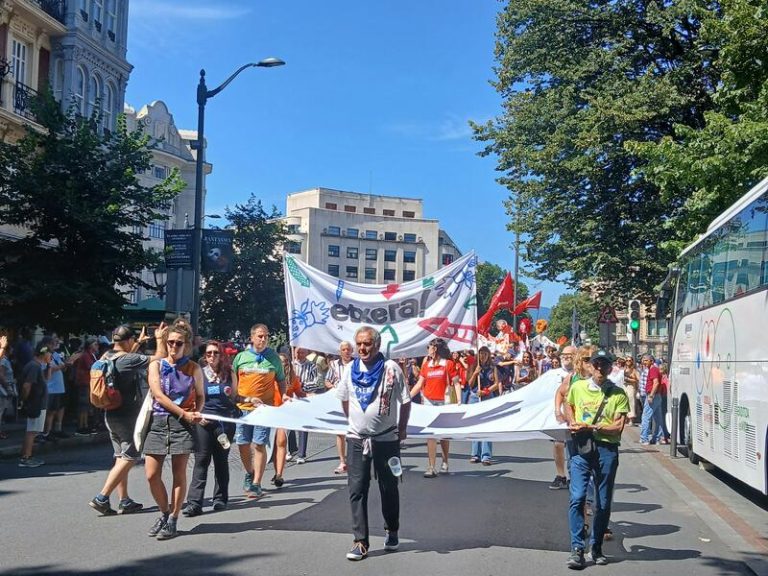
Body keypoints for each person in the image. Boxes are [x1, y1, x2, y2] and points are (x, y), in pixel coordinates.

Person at [337, 325, 411, 561]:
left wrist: (401, 429)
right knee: (357, 489)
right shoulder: (350, 369)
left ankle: (392, 529)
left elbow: (405, 401)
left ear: (377, 345)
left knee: (388, 487)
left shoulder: (391, 369)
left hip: (387, 439)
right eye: (359, 343)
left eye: (367, 343)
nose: (362, 348)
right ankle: (360, 541)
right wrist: (356, 424)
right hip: (357, 439)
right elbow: (345, 400)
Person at [88, 323, 168, 516]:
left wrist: (137, 343)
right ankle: (102, 497)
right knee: (130, 456)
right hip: (127, 415)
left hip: (109, 412)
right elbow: (160, 358)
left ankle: (124, 500)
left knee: (120, 457)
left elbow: (124, 358)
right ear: (129, 340)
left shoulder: (106, 357)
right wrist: (159, 339)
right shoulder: (129, 360)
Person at [564, 349, 629, 568]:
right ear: (590, 366)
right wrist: (571, 420)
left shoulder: (618, 394)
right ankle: (576, 549)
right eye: (596, 364)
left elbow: (618, 427)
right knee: (578, 497)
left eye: (604, 365)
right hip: (582, 447)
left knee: (602, 503)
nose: (600, 368)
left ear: (611, 368)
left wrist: (592, 426)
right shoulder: (578, 387)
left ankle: (597, 547)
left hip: (606, 450)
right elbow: (567, 402)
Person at [144, 320, 204, 540]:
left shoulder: (193, 368)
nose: (174, 347)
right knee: (151, 474)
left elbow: (200, 395)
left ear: (186, 345)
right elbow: (158, 395)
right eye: (170, 342)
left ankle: (173, 519)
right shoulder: (156, 365)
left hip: (184, 425)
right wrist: (183, 412)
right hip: (160, 421)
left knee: (179, 474)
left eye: (179, 343)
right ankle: (164, 512)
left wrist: (196, 412)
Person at [183, 340, 238, 516]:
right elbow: (191, 398)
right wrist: (197, 416)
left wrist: (250, 401)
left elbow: (236, 397)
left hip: (225, 424)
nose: (212, 356)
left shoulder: (229, 373)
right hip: (204, 422)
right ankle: (194, 503)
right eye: (208, 353)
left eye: (216, 353)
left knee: (221, 461)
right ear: (204, 356)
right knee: (201, 460)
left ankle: (220, 498)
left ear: (222, 355)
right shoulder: (199, 373)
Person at [232, 323, 286, 499]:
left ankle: (256, 483)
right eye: (260, 336)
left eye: (266, 336)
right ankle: (249, 472)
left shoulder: (274, 358)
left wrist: (283, 397)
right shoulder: (241, 357)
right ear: (252, 337)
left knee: (259, 444)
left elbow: (281, 380)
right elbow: (233, 381)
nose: (263, 339)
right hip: (242, 409)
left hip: (264, 409)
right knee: (242, 444)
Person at [408, 338, 461, 477]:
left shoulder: (448, 364)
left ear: (435, 348)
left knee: (443, 434)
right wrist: (407, 397)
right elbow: (420, 384)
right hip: (428, 402)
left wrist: (459, 401)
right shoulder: (426, 365)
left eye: (429, 347)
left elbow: (456, 383)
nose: (427, 349)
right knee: (430, 434)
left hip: (444, 402)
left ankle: (445, 461)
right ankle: (431, 466)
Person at [270, 353, 306, 488]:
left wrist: (308, 396)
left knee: (281, 441)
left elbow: (299, 392)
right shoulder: (270, 376)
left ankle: (279, 474)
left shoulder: (292, 378)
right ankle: (262, 472)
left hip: (284, 413)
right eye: (279, 362)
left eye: (285, 362)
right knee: (269, 445)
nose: (282, 365)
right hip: (269, 412)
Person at [18, 341, 52, 467]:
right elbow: (27, 386)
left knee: (32, 431)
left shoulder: (38, 366)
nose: (51, 356)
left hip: (38, 403)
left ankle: (25, 454)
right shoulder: (34, 366)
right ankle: (26, 458)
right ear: (44, 353)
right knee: (32, 431)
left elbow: (47, 379)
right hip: (35, 403)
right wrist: (24, 400)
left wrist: (49, 365)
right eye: (50, 353)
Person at [292, 347, 328, 464]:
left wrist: (303, 386)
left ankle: (301, 453)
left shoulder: (311, 366)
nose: (299, 355)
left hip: (304, 397)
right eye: (297, 352)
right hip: (291, 398)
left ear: (306, 353)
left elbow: (317, 382)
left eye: (302, 352)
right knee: (289, 424)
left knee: (303, 425)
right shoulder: (291, 365)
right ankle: (291, 449)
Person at [466, 346, 500, 465]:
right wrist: (475, 373)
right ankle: (475, 454)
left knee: (487, 426)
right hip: (475, 397)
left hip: (487, 397)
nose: (483, 356)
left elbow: (496, 383)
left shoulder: (492, 368)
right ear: (478, 355)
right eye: (481, 354)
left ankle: (486, 455)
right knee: (475, 426)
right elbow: (469, 384)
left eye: (486, 354)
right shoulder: (474, 367)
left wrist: (487, 391)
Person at [551, 345, 578, 489]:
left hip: (576, 418)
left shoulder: (580, 373)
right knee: (558, 444)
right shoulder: (553, 373)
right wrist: (556, 411)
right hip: (559, 417)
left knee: (575, 449)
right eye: (564, 354)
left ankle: (575, 478)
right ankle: (561, 475)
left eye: (570, 355)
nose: (566, 357)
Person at [326, 341, 354, 474]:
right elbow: (327, 381)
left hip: (354, 401)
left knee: (355, 431)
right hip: (339, 400)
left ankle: (356, 460)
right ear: (340, 352)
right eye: (344, 349)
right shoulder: (334, 365)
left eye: (348, 349)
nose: (346, 352)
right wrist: (332, 387)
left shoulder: (357, 364)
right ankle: (342, 461)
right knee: (340, 432)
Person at [40, 334, 69, 442]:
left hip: (58, 387)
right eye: (53, 343)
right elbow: (47, 369)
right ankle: (42, 433)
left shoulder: (56, 354)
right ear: (47, 344)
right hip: (49, 387)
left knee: (53, 411)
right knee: (46, 411)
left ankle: (49, 432)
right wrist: (62, 366)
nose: (55, 344)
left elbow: (62, 367)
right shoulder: (43, 353)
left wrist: (66, 364)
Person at [73, 338, 98, 436]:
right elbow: (91, 367)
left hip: (88, 382)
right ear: (90, 345)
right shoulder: (86, 355)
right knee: (83, 405)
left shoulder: (92, 355)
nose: (97, 346)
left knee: (87, 405)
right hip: (84, 382)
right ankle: (81, 427)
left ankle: (86, 425)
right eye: (95, 344)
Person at [639, 354, 664, 445]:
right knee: (658, 418)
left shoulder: (653, 369)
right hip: (656, 396)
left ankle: (644, 438)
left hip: (652, 395)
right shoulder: (654, 369)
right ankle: (656, 438)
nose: (644, 362)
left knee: (646, 417)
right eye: (643, 360)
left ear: (651, 361)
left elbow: (656, 383)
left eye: (646, 360)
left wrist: (651, 395)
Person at [623, 356, 640, 425]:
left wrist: (629, 379)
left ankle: (631, 420)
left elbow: (638, 379)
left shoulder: (634, 370)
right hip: (624, 386)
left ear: (632, 361)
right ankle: (626, 418)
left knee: (631, 403)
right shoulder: (623, 369)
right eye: (627, 360)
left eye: (629, 360)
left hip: (631, 387)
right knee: (624, 402)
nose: (628, 362)